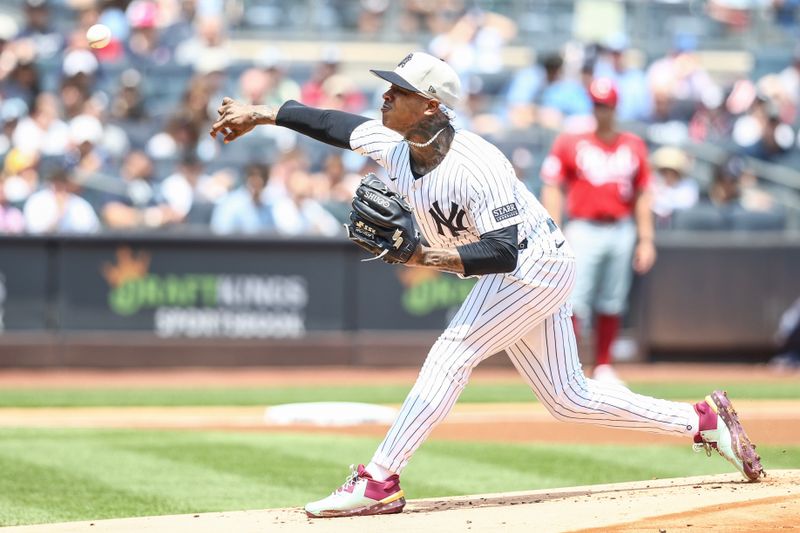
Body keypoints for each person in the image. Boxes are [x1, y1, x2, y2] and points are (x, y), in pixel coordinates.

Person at [210, 52, 764, 519]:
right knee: (568, 399)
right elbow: (330, 122)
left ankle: (380, 480)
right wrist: (262, 114)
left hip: (534, 265)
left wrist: (423, 254)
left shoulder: (478, 165)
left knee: (454, 350)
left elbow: (502, 251)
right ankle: (702, 420)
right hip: (527, 266)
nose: (385, 96)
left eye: (398, 90)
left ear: (429, 105)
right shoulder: (393, 144)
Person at [540, 78, 656, 385]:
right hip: (583, 227)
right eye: (596, 105)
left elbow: (644, 193)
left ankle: (603, 365)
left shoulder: (633, 144)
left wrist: (646, 238)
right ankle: (571, 367)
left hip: (621, 227)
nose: (600, 111)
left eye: (605, 105)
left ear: (615, 107)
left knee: (612, 299)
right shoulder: (571, 141)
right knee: (575, 300)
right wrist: (555, 229)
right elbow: (553, 185)